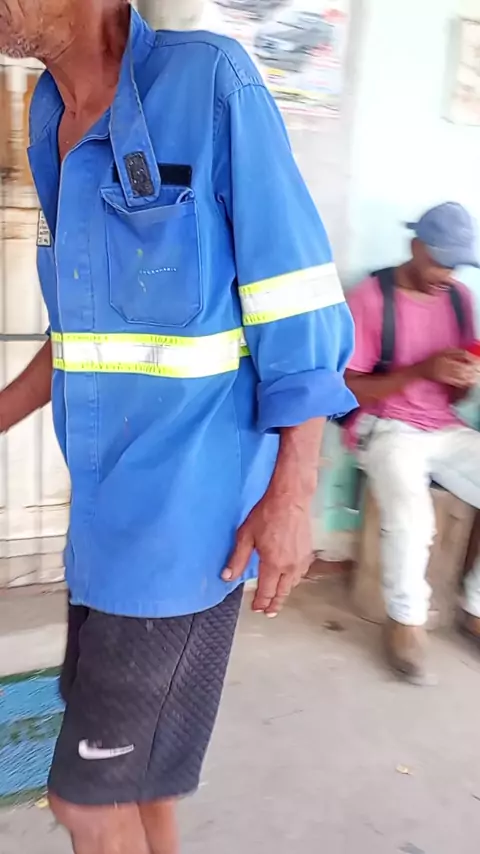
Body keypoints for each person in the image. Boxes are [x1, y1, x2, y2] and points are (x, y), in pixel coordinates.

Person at [0, 2, 355, 853]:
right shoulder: (48, 117)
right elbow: (80, 331)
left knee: (86, 802)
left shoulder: (209, 84)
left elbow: (297, 300)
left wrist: (293, 494)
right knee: (142, 782)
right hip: (104, 525)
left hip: (189, 530)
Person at [344, 202, 480, 686]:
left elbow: (454, 393)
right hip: (384, 426)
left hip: (443, 426)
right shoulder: (371, 298)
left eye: (457, 265)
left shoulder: (460, 299)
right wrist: (422, 370)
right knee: (412, 515)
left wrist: (463, 380)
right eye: (441, 261)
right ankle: (405, 621)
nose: (448, 275)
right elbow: (349, 389)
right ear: (416, 247)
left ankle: (476, 608)